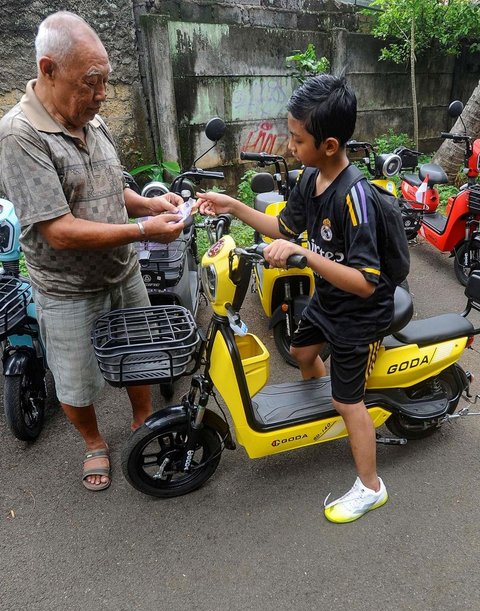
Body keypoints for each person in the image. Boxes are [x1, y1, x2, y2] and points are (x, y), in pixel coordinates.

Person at [0, 11, 186, 491]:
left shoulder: (91, 116)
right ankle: (92, 442)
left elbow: (107, 185)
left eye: (105, 81)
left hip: (122, 273)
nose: (102, 95)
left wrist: (146, 202)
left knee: (140, 355)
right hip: (67, 288)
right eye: (91, 83)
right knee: (76, 380)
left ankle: (142, 414)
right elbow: (58, 230)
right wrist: (143, 229)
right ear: (48, 70)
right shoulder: (19, 134)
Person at [198, 74, 394, 523]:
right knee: (303, 351)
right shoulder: (311, 178)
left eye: (295, 138)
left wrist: (304, 255)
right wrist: (232, 205)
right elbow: (283, 229)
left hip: (358, 315)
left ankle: (370, 486)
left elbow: (365, 281)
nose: (288, 146)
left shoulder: (355, 198)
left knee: (349, 401)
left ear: (328, 144)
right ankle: (320, 422)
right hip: (328, 301)